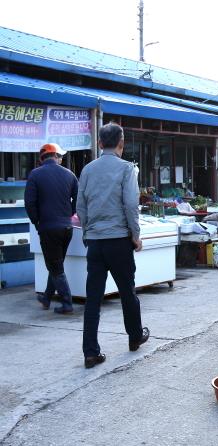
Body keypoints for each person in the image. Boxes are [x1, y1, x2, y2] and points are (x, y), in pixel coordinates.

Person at [76, 123, 149, 369]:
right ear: (122, 143)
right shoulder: (127, 169)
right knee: (127, 292)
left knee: (93, 298)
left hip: (95, 242)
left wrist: (88, 232)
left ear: (99, 144)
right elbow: (130, 204)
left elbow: (80, 206)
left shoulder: (87, 169)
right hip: (118, 240)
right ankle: (135, 337)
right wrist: (135, 235)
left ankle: (90, 352)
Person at [24, 143, 78, 314]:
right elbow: (78, 202)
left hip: (48, 228)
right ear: (54, 156)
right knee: (55, 264)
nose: (61, 159)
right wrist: (69, 216)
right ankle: (47, 297)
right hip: (67, 227)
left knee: (55, 266)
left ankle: (67, 302)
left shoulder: (35, 175)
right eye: (60, 156)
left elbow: (29, 203)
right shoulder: (70, 175)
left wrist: (37, 222)